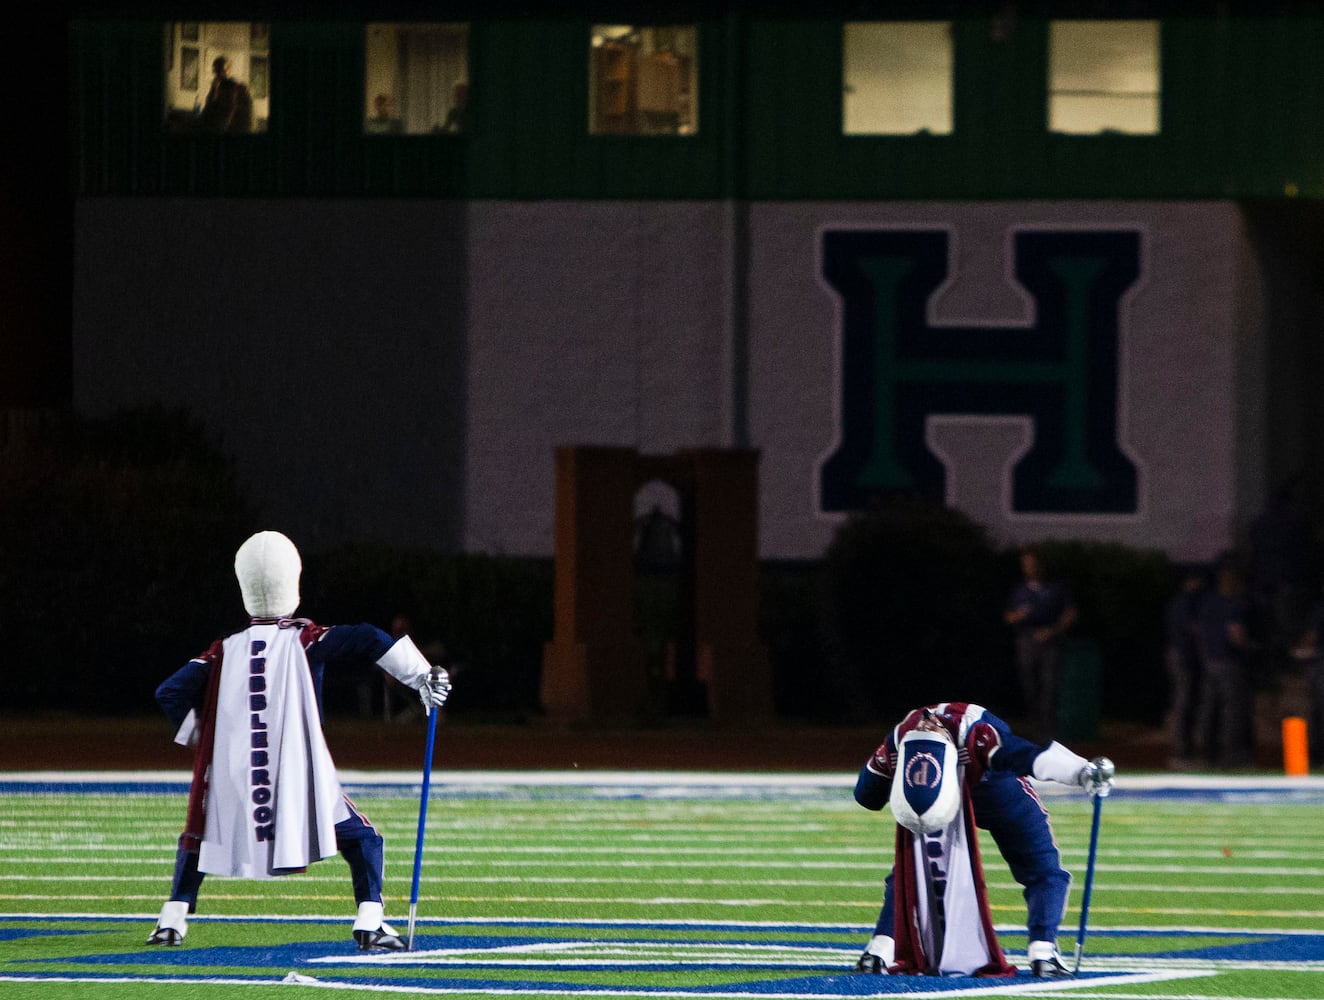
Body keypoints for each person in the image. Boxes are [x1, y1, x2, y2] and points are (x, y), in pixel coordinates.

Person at [146, 530, 453, 951]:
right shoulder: (305, 638)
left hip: (238, 775)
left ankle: (171, 921)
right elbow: (366, 636)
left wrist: (205, 737)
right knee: (363, 837)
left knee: (203, 832)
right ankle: (371, 920)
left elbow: (169, 692)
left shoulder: (224, 649)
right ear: (293, 580)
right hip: (296, 777)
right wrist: (421, 677)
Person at [852, 701, 1114, 979]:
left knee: (913, 871)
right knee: (912, 871)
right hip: (967, 797)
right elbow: (867, 795)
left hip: (993, 791)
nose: (926, 725)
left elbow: (1026, 756)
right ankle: (1043, 954)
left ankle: (879, 950)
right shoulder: (906, 738)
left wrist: (1079, 770)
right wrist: (1083, 772)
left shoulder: (969, 731)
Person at [1003, 546, 1078, 743]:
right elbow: (1008, 616)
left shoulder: (1056, 588)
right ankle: (1035, 733)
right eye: (1026, 565)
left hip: (1050, 643)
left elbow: (1070, 613)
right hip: (1026, 643)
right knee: (1030, 688)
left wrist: (1052, 631)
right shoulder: (1019, 590)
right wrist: (1018, 616)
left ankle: (1051, 735)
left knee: (1049, 688)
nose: (1030, 568)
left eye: (1033, 564)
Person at [1195, 553, 1255, 768]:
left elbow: (1200, 632)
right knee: (1232, 711)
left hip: (1210, 661)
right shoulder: (1233, 603)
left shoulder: (1208, 602)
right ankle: (1232, 756)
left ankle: (1205, 755)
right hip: (1229, 662)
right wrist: (1249, 648)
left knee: (1209, 709)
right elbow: (1235, 633)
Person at [1164, 568, 1209, 767]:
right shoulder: (1183, 603)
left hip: (1187, 658)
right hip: (1182, 658)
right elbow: (1191, 630)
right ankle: (1180, 750)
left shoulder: (1191, 602)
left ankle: (1186, 748)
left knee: (1189, 703)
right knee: (1183, 703)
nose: (1197, 585)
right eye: (1194, 581)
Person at [198, 55, 253, 134]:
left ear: (229, 70)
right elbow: (208, 110)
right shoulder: (217, 87)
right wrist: (213, 90)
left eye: (222, 70)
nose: (219, 74)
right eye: (216, 71)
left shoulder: (238, 88)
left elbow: (230, 115)